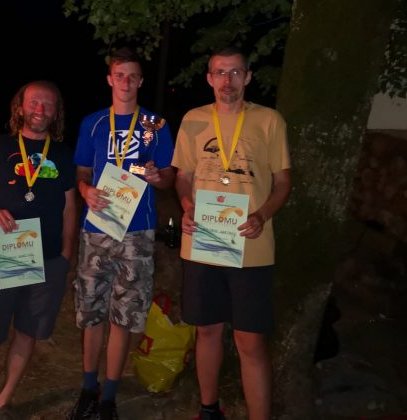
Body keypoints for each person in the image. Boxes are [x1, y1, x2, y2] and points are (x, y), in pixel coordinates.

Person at [171, 46, 292, 420]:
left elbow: (283, 182)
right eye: (220, 73)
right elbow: (182, 176)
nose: (228, 80)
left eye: (236, 72)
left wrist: (262, 215)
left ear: (248, 76)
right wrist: (187, 206)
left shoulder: (269, 120)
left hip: (250, 247)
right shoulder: (193, 120)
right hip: (203, 243)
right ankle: (209, 410)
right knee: (206, 332)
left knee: (250, 341)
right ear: (209, 78)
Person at [67, 46, 175, 420]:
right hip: (97, 227)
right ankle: (88, 389)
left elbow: (168, 176)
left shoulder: (156, 126)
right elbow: (82, 172)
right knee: (92, 312)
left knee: (124, 316)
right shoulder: (93, 123)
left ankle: (109, 396)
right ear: (109, 80)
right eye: (119, 75)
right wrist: (85, 191)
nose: (126, 82)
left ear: (140, 81)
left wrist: (159, 177)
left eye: (132, 76)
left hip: (137, 232)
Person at [0, 80, 77, 420]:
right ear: (20, 107)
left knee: (28, 330)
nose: (40, 109)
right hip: (3, 254)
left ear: (56, 112)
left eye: (48, 104)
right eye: (34, 102)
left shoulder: (62, 154)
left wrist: (66, 253)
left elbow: (69, 206)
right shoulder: (0, 146)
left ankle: (4, 401)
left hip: (47, 257)